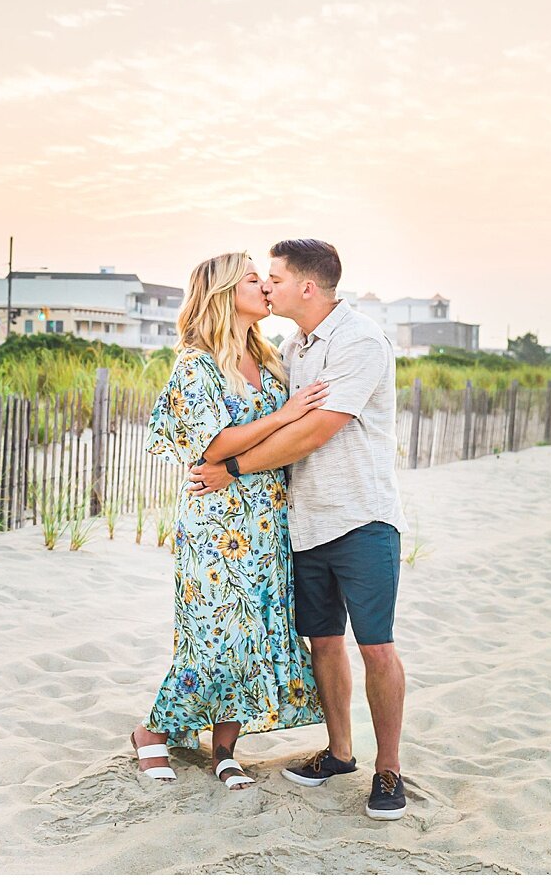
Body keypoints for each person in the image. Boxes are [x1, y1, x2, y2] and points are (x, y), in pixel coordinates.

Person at [188, 238, 409, 820]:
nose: (267, 287)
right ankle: (340, 753)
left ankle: (389, 770)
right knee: (324, 642)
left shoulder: (359, 342)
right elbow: (274, 422)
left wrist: (231, 468)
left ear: (306, 288)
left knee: (376, 645)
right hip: (306, 522)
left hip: (362, 517)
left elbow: (316, 432)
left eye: (276, 278)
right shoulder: (293, 347)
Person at [131, 251, 327, 790]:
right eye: (251, 279)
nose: (265, 286)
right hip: (216, 520)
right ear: (222, 294)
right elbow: (211, 445)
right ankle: (152, 732)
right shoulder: (196, 363)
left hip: (266, 518)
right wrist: (285, 415)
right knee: (213, 634)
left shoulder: (268, 361)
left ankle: (224, 748)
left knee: (254, 627)